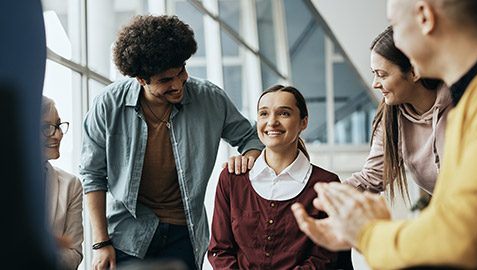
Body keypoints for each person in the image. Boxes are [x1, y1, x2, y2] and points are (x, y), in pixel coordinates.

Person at [291, 0, 477, 269]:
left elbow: (462, 238)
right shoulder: (466, 102)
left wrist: (367, 233)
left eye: (396, 25)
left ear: (425, 16)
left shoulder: (467, 106)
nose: (396, 40)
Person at [79, 15, 263, 270]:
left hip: (184, 234)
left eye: (182, 72)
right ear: (141, 79)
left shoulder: (210, 99)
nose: (178, 85)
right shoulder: (109, 105)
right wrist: (101, 243)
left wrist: (249, 158)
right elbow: (92, 175)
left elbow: (251, 137)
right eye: (166, 80)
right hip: (127, 233)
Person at [208, 85, 342, 269]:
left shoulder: (326, 185)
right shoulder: (232, 179)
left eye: (284, 113)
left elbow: (325, 257)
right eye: (264, 114)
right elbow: (220, 250)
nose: (272, 122)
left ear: (303, 122)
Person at [344, 26, 452, 199]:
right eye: (374, 74)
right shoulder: (391, 118)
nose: (375, 84)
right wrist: (320, 198)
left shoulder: (463, 103)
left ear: (414, 71)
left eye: (382, 75)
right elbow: (370, 179)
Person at [42, 96, 84, 269]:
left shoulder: (70, 184)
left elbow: (74, 253)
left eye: (58, 126)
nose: (58, 135)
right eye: (47, 128)